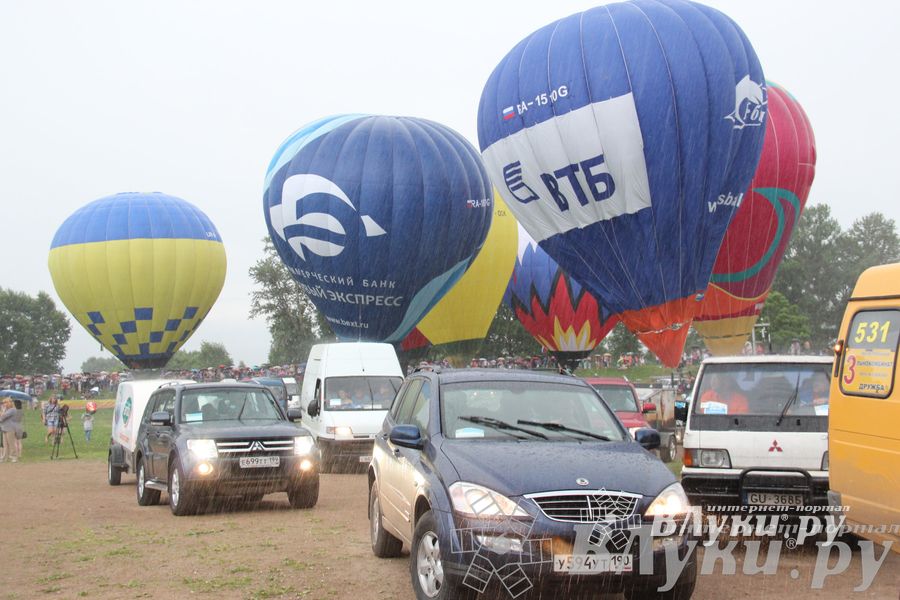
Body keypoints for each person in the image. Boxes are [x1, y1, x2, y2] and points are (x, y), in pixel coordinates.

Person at [0, 398, 23, 462]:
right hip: (4, 428)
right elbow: (1, 419)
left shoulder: (12, 410)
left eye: (5, 402)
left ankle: (14, 457)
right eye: (3, 403)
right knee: (5, 444)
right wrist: (2, 412)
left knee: (11, 443)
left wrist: (2, 411)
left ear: (9, 403)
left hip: (10, 429)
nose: (4, 404)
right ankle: (4, 457)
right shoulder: (6, 410)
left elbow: (3, 416)